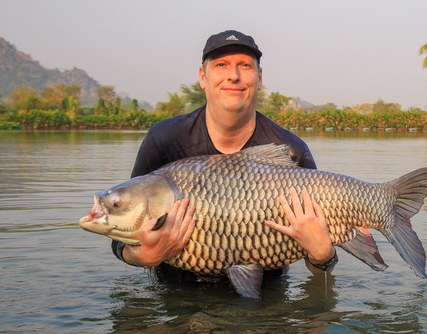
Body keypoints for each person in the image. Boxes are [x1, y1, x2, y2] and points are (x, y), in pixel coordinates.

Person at [111, 30, 337, 284]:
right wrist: (144, 256)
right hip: (177, 297)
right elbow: (120, 237)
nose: (233, 75)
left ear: (259, 77)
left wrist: (322, 254)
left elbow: (320, 271)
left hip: (267, 301)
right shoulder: (164, 140)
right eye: (221, 65)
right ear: (202, 76)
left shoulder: (290, 150)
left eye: (245, 66)